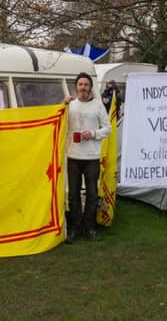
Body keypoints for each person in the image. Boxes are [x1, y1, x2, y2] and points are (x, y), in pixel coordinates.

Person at [64, 72, 110, 243]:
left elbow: (108, 129)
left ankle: (90, 228)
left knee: (92, 194)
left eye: (86, 84)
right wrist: (63, 105)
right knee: (74, 195)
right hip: (73, 155)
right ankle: (75, 228)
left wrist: (92, 133)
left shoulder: (98, 106)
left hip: (91, 156)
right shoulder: (70, 105)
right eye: (80, 84)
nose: (83, 87)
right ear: (76, 87)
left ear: (90, 87)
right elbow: (59, 121)